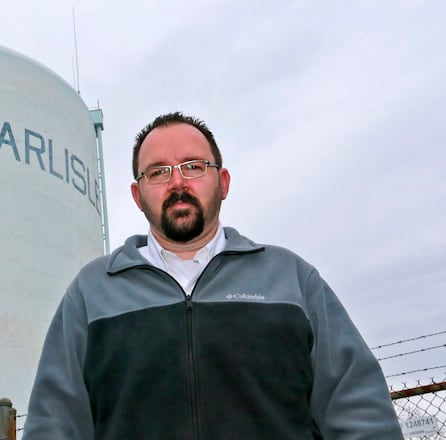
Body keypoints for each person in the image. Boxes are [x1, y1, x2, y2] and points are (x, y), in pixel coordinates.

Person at [22, 112, 403, 439]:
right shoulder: (92, 294)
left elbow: (358, 411)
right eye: (159, 172)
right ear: (138, 196)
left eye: (193, 166)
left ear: (222, 182)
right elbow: (54, 424)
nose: (177, 183)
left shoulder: (291, 280)